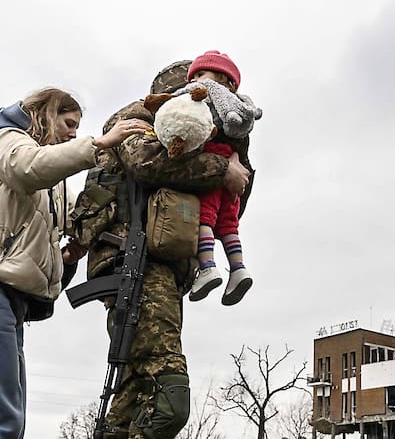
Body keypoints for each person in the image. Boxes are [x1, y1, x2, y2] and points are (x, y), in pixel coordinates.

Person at [0, 87, 149, 439]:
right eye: (69, 123)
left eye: (78, 128)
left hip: (2, 296)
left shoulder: (54, 188)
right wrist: (99, 144)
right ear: (45, 114)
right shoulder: (7, 139)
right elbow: (27, 168)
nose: (74, 134)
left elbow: (76, 217)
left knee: (7, 423)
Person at [69, 61, 253, 439]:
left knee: (131, 405)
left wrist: (235, 148)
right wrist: (222, 167)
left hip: (167, 273)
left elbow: (234, 200)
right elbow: (145, 161)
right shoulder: (136, 117)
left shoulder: (211, 136)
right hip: (132, 262)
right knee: (169, 401)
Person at [176, 50, 263, 306]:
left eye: (201, 73)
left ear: (224, 79)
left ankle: (208, 267)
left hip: (212, 171)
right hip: (234, 177)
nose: (194, 81)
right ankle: (238, 269)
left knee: (205, 218)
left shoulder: (202, 99)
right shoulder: (242, 108)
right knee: (228, 225)